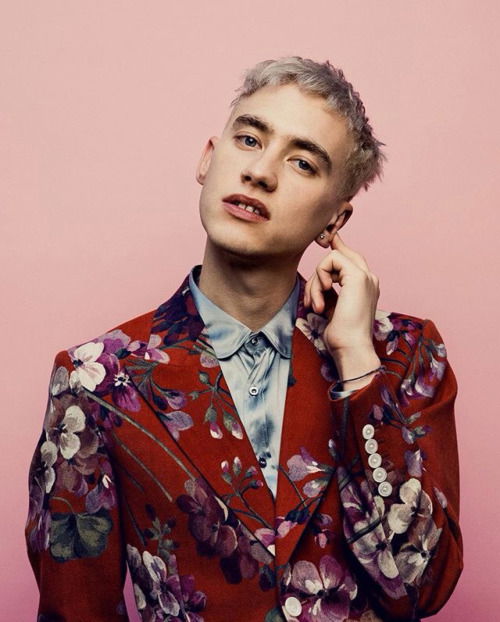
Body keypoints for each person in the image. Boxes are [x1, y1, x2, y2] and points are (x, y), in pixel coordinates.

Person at [25, 56, 463, 621]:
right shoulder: (97, 381)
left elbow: (422, 586)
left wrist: (357, 359)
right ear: (209, 158)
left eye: (302, 162)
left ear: (335, 221)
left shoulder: (402, 355)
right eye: (250, 139)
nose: (260, 172)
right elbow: (75, 609)